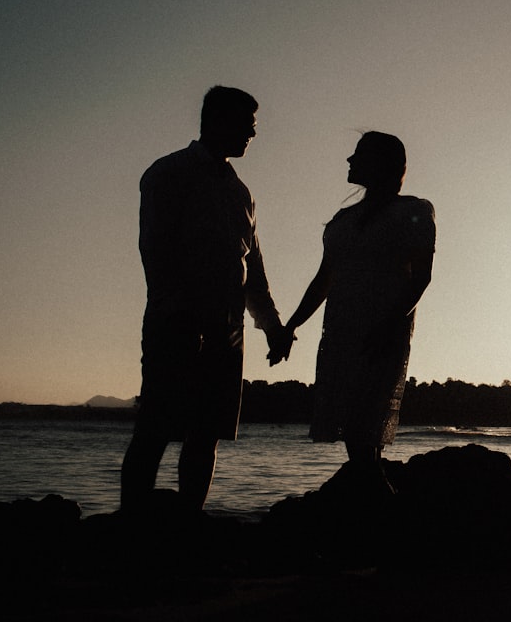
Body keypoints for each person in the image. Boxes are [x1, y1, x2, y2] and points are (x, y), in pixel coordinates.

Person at [120, 86, 291, 512]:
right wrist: (177, 312)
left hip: (227, 331)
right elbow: (155, 249)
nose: (253, 132)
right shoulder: (168, 173)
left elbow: (253, 270)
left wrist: (272, 327)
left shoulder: (241, 193)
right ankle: (129, 528)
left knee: (206, 433)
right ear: (216, 121)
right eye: (246, 124)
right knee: (156, 427)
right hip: (174, 324)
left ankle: (188, 523)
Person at [282, 131, 435, 495]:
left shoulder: (414, 210)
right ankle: (375, 514)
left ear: (383, 164)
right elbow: (323, 281)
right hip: (341, 331)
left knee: (365, 428)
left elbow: (422, 278)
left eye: (358, 155)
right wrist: (290, 326)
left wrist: (390, 325)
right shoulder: (342, 220)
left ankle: (381, 511)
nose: (349, 161)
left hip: (383, 333)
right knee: (356, 435)